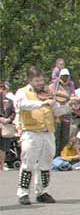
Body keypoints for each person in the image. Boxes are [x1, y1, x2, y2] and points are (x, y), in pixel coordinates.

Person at [14, 67, 57, 205]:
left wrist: (71, 106)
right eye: (36, 80)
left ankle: (42, 192)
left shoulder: (48, 93)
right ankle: (23, 193)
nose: (40, 83)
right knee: (28, 163)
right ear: (30, 80)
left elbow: (57, 110)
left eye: (41, 80)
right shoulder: (22, 92)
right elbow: (21, 105)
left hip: (47, 131)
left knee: (46, 163)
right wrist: (41, 102)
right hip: (31, 132)